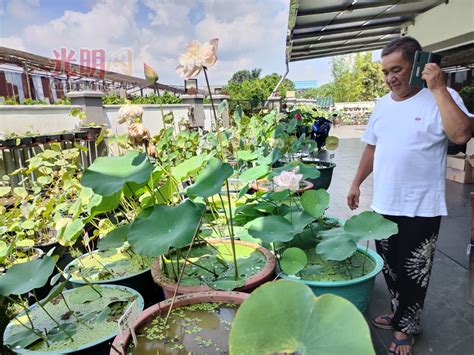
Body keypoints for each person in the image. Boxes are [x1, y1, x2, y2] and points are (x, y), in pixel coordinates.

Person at [347, 36, 472, 355]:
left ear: (418, 65)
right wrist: (356, 183)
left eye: (398, 69)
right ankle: (399, 313)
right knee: (391, 270)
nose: (391, 78)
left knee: (414, 271)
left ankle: (406, 328)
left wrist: (439, 88)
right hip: (383, 205)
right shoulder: (382, 104)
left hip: (421, 208)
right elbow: (372, 147)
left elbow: (461, 133)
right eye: (386, 71)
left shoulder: (443, 97)